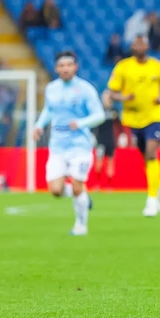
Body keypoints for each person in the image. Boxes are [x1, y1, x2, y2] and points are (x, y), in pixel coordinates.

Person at [32, 51, 106, 236]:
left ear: (75, 67)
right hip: (57, 146)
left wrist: (80, 123)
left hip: (80, 146)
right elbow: (49, 109)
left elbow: (100, 115)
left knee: (76, 184)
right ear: (56, 68)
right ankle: (83, 196)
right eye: (61, 66)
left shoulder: (85, 89)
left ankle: (81, 225)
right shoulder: (52, 89)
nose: (65, 69)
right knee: (56, 190)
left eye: (69, 65)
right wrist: (39, 125)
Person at [103, 34, 160, 218]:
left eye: (143, 43)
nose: (140, 46)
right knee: (146, 158)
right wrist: (123, 98)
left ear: (148, 46)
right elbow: (112, 92)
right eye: (136, 43)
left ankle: (151, 200)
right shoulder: (123, 67)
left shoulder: (159, 66)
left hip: (154, 115)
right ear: (132, 47)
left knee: (151, 153)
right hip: (132, 118)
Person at [92, 100, 119, 191]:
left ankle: (109, 185)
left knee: (110, 163)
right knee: (99, 163)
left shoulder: (114, 111)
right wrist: (93, 135)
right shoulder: (99, 111)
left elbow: (118, 123)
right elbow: (94, 125)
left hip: (110, 140)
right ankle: (97, 184)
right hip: (100, 140)